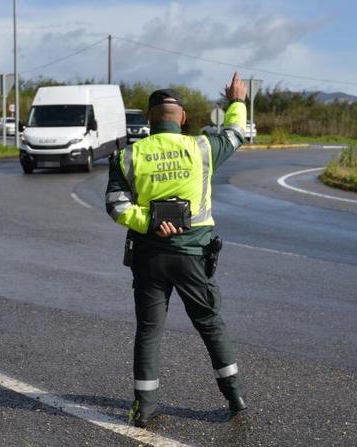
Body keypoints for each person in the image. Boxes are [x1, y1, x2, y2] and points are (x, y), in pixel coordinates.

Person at [105, 72, 249, 427]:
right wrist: (236, 101)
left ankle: (146, 406)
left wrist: (150, 221)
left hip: (148, 258)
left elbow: (116, 205)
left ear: (150, 119)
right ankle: (234, 396)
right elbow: (236, 133)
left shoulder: (128, 156)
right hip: (193, 258)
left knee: (149, 331)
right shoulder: (201, 148)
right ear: (182, 118)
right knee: (210, 324)